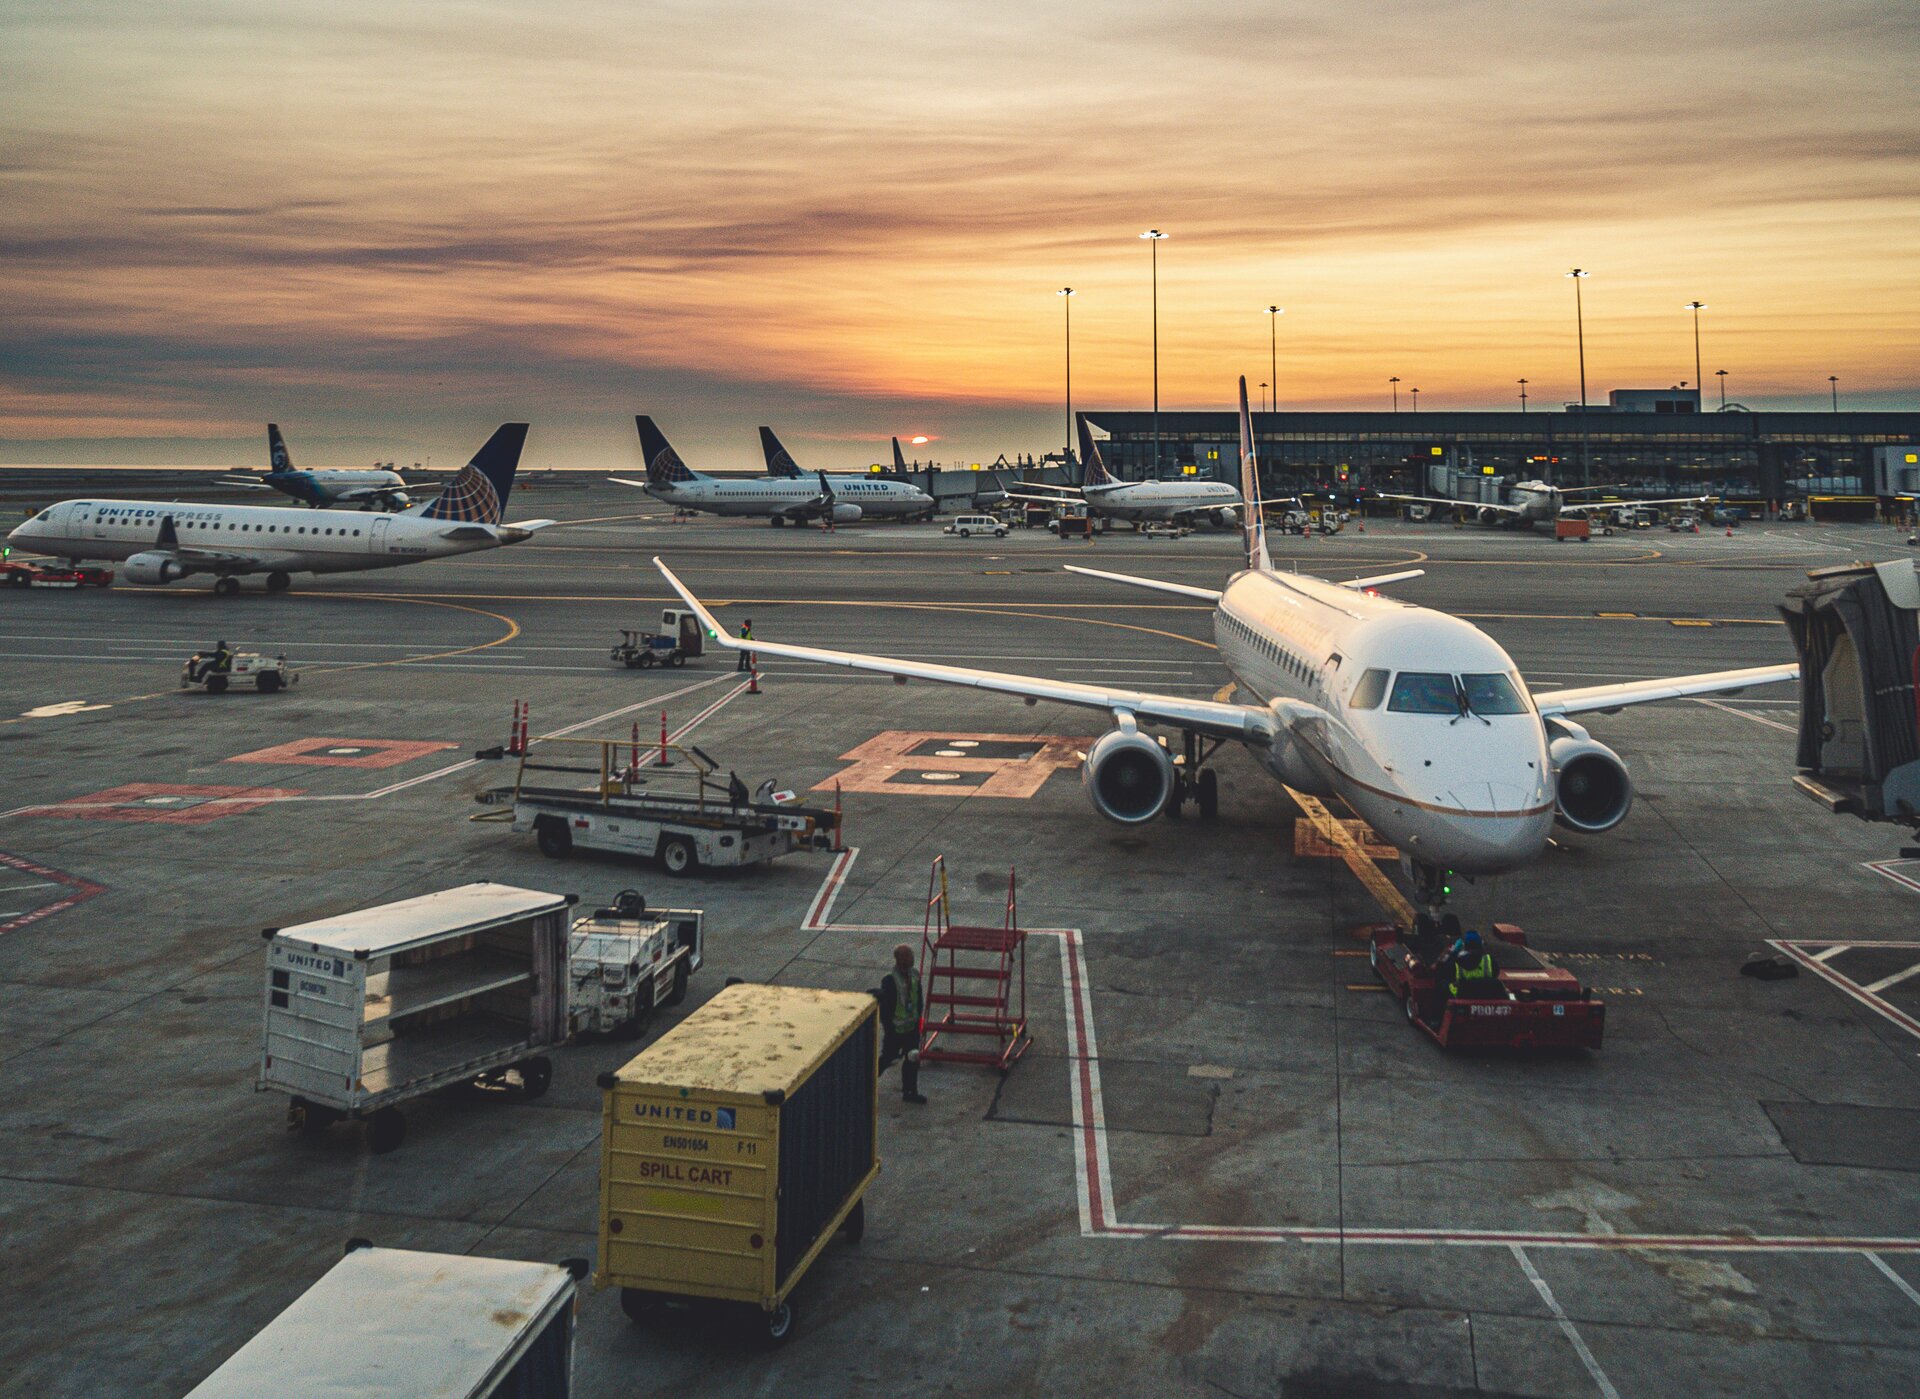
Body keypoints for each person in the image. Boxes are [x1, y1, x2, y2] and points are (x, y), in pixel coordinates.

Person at [876, 944, 928, 1104]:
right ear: (900, 960)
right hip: (896, 1030)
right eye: (908, 956)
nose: (912, 959)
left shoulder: (915, 976)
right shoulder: (890, 981)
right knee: (888, 1058)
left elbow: (918, 999)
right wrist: (889, 1029)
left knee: (912, 1059)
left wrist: (918, 1020)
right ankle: (867, 1084)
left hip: (911, 1029)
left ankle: (910, 1092)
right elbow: (886, 1010)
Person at [1446, 930, 1497, 1002]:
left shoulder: (1457, 961)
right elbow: (1496, 974)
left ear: (1465, 946)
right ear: (1480, 945)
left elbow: (1446, 971)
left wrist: (1454, 952)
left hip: (1462, 998)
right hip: (1485, 998)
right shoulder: (1488, 960)